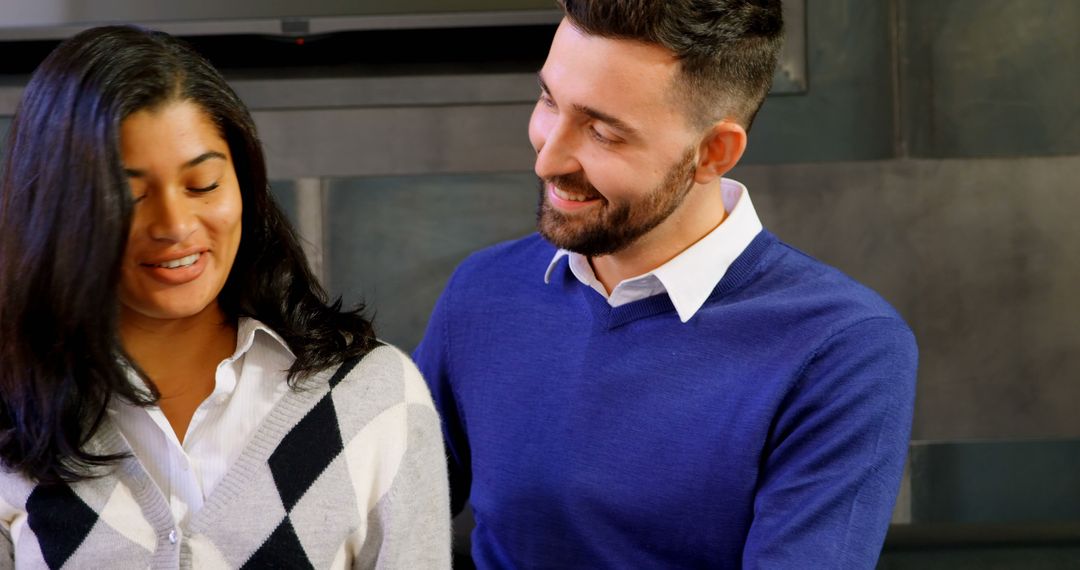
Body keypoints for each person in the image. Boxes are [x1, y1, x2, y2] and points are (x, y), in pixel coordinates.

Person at [414, 1, 918, 568]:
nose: (547, 157)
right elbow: (383, 521)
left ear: (713, 153)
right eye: (548, 101)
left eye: (603, 132)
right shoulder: (481, 292)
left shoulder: (842, 348)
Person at [0, 26, 449, 569]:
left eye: (203, 185)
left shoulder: (372, 397)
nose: (174, 225)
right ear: (55, 208)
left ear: (244, 184)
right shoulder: (15, 407)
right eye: (129, 196)